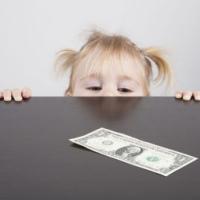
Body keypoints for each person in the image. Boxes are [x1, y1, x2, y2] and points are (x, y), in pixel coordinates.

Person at [0, 30, 200, 101]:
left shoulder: (157, 132)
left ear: (145, 101)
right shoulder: (55, 130)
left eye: (125, 89)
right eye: (94, 87)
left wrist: (191, 112)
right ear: (69, 97)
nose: (109, 94)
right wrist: (11, 109)